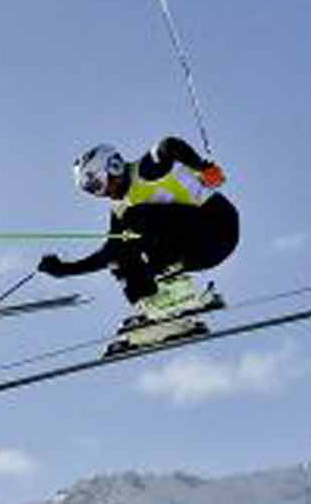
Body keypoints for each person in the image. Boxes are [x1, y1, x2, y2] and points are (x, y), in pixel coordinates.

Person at [37, 138, 236, 348]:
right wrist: (66, 270)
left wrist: (203, 167)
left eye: (96, 184)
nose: (100, 193)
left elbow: (169, 145)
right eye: (90, 190)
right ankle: (158, 312)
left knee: (134, 217)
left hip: (217, 227)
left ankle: (177, 292)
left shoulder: (146, 170)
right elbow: (110, 253)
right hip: (195, 250)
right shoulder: (119, 208)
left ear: (113, 167)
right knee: (119, 252)